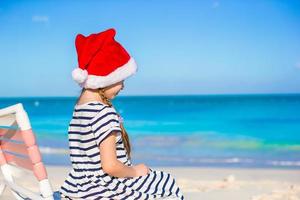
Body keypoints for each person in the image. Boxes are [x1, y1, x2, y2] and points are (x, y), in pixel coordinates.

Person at [59, 28, 185, 199]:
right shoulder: (103, 113)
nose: (123, 86)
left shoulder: (79, 110)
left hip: (80, 188)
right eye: (120, 79)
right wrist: (134, 171)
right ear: (106, 77)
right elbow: (110, 166)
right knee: (166, 183)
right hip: (104, 188)